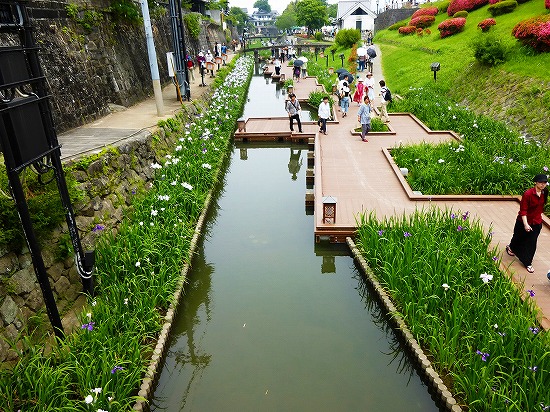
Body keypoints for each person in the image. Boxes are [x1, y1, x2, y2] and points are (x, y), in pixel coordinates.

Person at [506, 174, 549, 273]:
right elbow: (523, 211)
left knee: (531, 242)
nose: (543, 185)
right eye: (540, 182)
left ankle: (527, 262)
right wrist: (525, 224)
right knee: (518, 237)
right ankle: (511, 247)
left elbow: (542, 205)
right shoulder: (528, 194)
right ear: (535, 182)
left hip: (536, 222)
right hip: (523, 221)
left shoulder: (544, 192)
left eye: (545, 183)